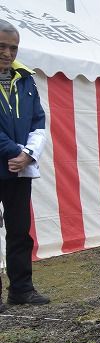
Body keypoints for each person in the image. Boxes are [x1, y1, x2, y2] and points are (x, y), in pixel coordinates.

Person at [0, 20, 50, 309]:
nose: (7, 53)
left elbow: (38, 120)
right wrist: (15, 151)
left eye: (13, 47)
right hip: (9, 160)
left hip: (20, 168)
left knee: (20, 228)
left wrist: (30, 154)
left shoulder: (26, 79)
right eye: (2, 47)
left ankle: (21, 288)